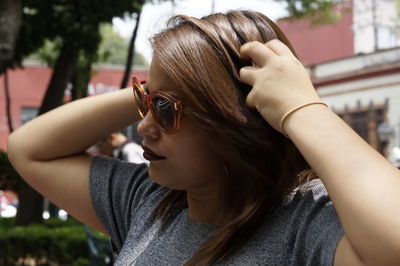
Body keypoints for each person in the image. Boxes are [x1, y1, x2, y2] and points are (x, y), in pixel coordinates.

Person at [7, 10, 400, 265]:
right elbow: (30, 149)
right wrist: (152, 91)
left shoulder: (305, 226)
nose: (144, 125)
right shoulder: (148, 203)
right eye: (147, 103)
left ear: (236, 121)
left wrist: (302, 108)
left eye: (166, 110)